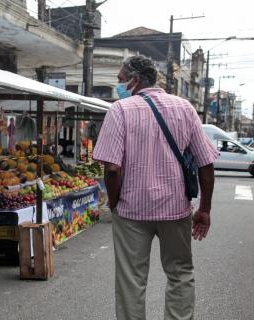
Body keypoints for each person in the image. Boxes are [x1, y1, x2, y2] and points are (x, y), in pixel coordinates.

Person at [93, 55, 219, 320]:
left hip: (131, 211)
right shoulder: (185, 108)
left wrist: (114, 203)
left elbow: (112, 169)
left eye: (120, 79)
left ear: (135, 80)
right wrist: (204, 209)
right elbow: (206, 164)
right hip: (176, 209)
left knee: (131, 280)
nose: (118, 84)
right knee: (180, 273)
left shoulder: (120, 110)